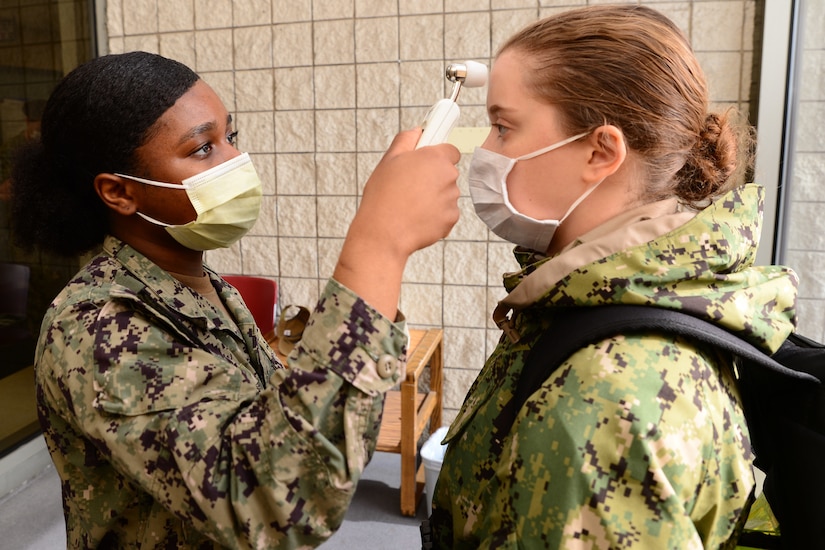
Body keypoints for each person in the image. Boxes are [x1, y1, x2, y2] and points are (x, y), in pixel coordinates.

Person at [10, 51, 460, 548]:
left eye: (231, 136)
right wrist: (378, 244)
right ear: (119, 192)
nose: (235, 161)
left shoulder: (203, 286)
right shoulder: (96, 328)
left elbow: (283, 424)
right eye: (203, 149)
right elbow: (276, 502)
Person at [428, 5, 796, 549]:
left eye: (504, 127)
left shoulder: (605, 401)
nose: (483, 152)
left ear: (601, 151)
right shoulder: (614, 297)